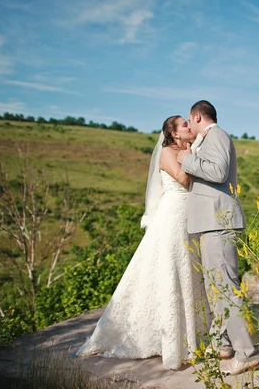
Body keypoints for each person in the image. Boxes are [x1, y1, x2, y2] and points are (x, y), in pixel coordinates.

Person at [76, 115, 209, 370]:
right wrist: (192, 157)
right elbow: (183, 180)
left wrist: (192, 153)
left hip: (188, 218)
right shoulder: (169, 153)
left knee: (189, 272)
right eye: (184, 125)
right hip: (173, 217)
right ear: (173, 134)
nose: (189, 127)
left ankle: (193, 335)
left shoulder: (186, 149)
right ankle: (165, 340)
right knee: (171, 270)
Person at [178, 100, 259, 375]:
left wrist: (187, 160)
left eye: (190, 121)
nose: (189, 126)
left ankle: (246, 353)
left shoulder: (218, 135)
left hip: (220, 223)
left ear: (198, 116)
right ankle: (223, 345)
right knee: (217, 291)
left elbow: (218, 171)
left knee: (227, 289)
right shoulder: (207, 139)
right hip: (210, 225)